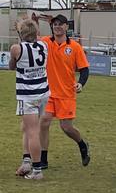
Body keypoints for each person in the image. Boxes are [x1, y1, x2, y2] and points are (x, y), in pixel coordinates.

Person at [32, 13, 90, 168]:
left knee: (66, 127)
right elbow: (32, 38)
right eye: (55, 24)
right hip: (48, 93)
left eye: (60, 24)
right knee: (43, 122)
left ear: (66, 27)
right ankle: (43, 159)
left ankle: (82, 144)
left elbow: (84, 69)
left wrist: (80, 83)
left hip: (66, 94)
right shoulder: (45, 42)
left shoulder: (75, 47)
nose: (57, 26)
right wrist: (35, 22)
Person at [9, 19, 49, 180]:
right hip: (43, 93)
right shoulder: (44, 46)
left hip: (27, 95)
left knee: (32, 131)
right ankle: (26, 161)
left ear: (21, 34)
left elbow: (12, 66)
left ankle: (37, 170)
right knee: (27, 127)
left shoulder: (16, 49)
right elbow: (35, 39)